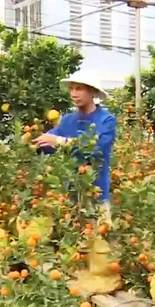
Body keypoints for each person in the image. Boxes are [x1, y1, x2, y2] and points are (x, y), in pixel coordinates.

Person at [32, 71, 117, 221]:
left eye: (78, 89)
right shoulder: (67, 120)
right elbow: (49, 142)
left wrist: (60, 141)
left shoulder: (106, 120)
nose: (73, 93)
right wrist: (32, 141)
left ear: (92, 91)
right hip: (69, 197)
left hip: (96, 196)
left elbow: (96, 150)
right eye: (71, 89)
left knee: (100, 240)